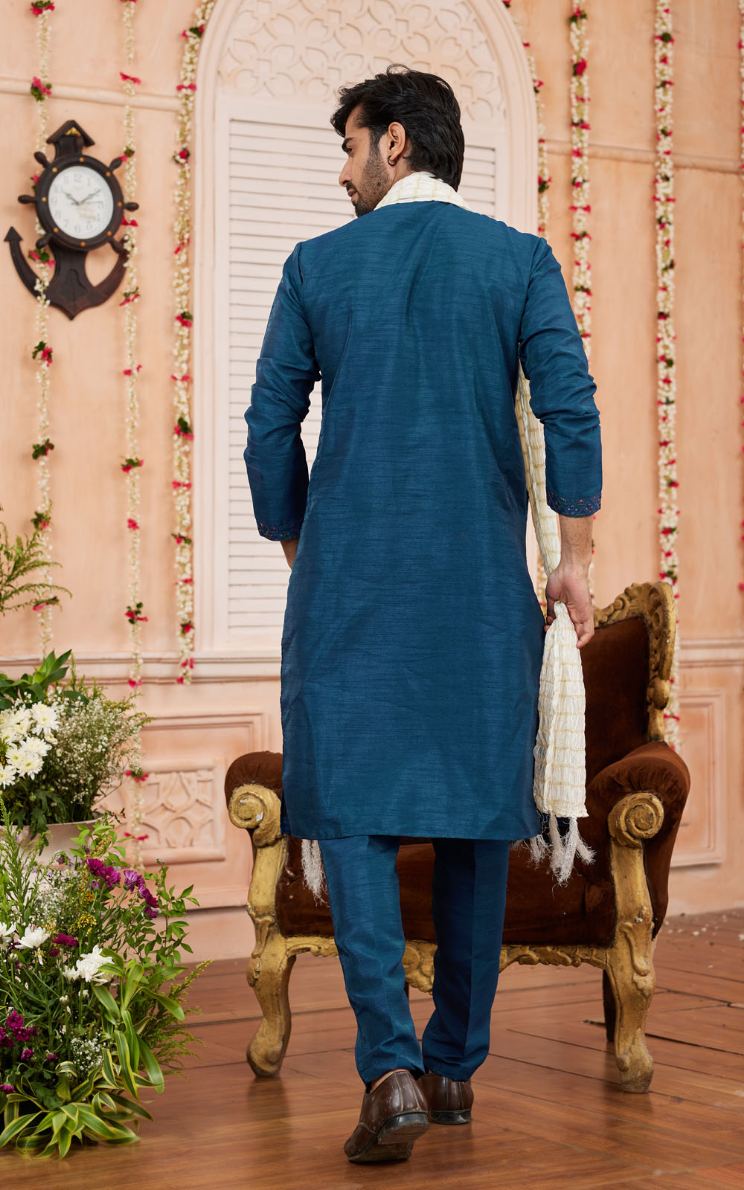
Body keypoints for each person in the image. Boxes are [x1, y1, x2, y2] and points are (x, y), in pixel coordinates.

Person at [243, 64, 602, 1165]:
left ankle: (389, 1069)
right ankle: (453, 1064)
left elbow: (268, 424)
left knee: (350, 815)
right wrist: (574, 560)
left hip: (349, 593)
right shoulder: (520, 260)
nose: (343, 173)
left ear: (394, 142)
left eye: (350, 147)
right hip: (481, 595)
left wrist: (299, 539)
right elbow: (570, 406)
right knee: (477, 818)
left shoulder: (316, 266)